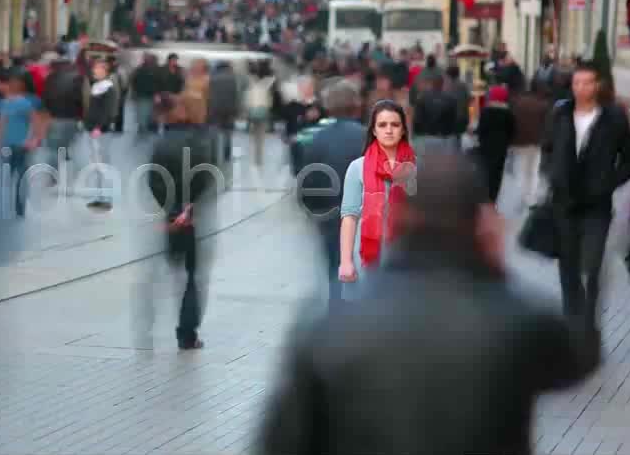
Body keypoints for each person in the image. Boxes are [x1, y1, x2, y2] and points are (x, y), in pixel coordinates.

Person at [258, 147, 601, 455]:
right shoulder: (518, 321)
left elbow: (283, 441)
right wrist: (495, 272)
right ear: (480, 224)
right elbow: (579, 357)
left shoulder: (325, 326)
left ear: (394, 220)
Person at [542, 62, 630, 326]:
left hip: (597, 205)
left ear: (597, 86)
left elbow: (629, 158)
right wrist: (552, 174)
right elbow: (547, 148)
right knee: (568, 265)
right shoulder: (560, 115)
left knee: (592, 264)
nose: (581, 88)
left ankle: (587, 319)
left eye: (587, 82)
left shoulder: (614, 119)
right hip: (565, 202)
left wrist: (610, 182)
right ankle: (572, 320)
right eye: (577, 83)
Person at [141, 81, 219, 350]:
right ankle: (187, 333)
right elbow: (207, 177)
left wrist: (169, 207)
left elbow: (153, 178)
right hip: (194, 216)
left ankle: (149, 323)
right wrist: (188, 205)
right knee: (192, 276)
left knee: (174, 269)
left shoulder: (164, 139)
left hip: (171, 215)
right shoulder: (204, 139)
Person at [297, 80, 365, 308]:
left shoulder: (318, 137)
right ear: (355, 105)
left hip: (328, 208)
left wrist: (309, 205)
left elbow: (307, 176)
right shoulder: (367, 136)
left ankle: (338, 309)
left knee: (335, 260)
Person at [338, 100, 416, 296]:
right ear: (373, 130)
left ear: (403, 130)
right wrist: (346, 261)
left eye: (395, 124)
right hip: (367, 257)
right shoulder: (357, 167)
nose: (389, 130)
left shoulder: (417, 168)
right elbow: (349, 216)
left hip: (409, 261)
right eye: (382, 125)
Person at [0, 67, 49, 218]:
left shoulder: (27, 102)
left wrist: (34, 140)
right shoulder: (4, 103)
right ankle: (8, 206)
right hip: (8, 145)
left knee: (21, 176)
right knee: (8, 176)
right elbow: (0, 124)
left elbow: (37, 121)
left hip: (21, 146)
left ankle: (19, 206)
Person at [85, 59, 118, 210]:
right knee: (97, 165)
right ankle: (99, 196)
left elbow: (110, 111)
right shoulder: (96, 87)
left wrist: (100, 126)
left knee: (103, 164)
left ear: (105, 71)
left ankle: (106, 197)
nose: (94, 71)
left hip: (101, 132)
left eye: (97, 69)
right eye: (94, 69)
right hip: (93, 130)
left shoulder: (109, 88)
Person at [475, 84, 516, 204]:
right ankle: (493, 197)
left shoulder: (486, 111)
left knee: (485, 170)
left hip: (486, 146)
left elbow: (481, 129)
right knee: (497, 173)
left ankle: (484, 195)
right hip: (501, 147)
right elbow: (511, 130)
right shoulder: (508, 113)